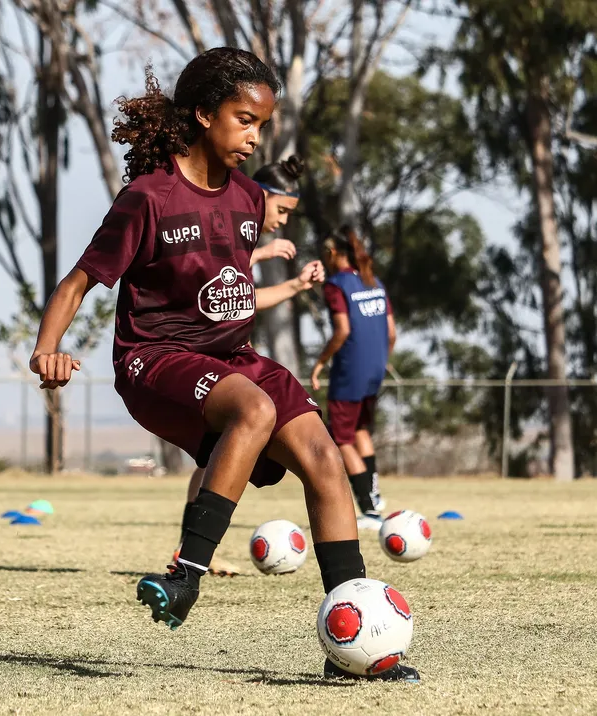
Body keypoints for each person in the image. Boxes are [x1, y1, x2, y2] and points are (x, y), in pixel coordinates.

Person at [28, 48, 417, 682]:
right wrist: (47, 348)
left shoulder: (247, 198)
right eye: (244, 120)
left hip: (233, 358)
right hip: (154, 361)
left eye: (262, 125)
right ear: (204, 114)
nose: (253, 137)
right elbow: (76, 284)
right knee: (254, 408)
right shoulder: (148, 197)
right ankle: (185, 577)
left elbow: (228, 283)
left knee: (325, 459)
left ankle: (355, 644)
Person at [177, 154, 318, 577]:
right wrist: (262, 252)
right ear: (262, 197)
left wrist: (293, 284)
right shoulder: (233, 230)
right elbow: (211, 270)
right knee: (212, 460)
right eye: (281, 211)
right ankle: (190, 553)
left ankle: (189, 549)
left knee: (209, 463)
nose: (283, 222)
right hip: (203, 363)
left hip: (231, 360)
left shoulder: (245, 241)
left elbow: (246, 301)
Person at [311, 226, 396, 531]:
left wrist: (320, 362)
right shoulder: (373, 281)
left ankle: (370, 511)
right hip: (375, 368)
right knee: (360, 429)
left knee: (341, 438)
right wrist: (381, 360)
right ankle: (375, 496)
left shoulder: (336, 285)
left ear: (333, 253)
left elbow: (343, 331)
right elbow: (391, 333)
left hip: (351, 370)